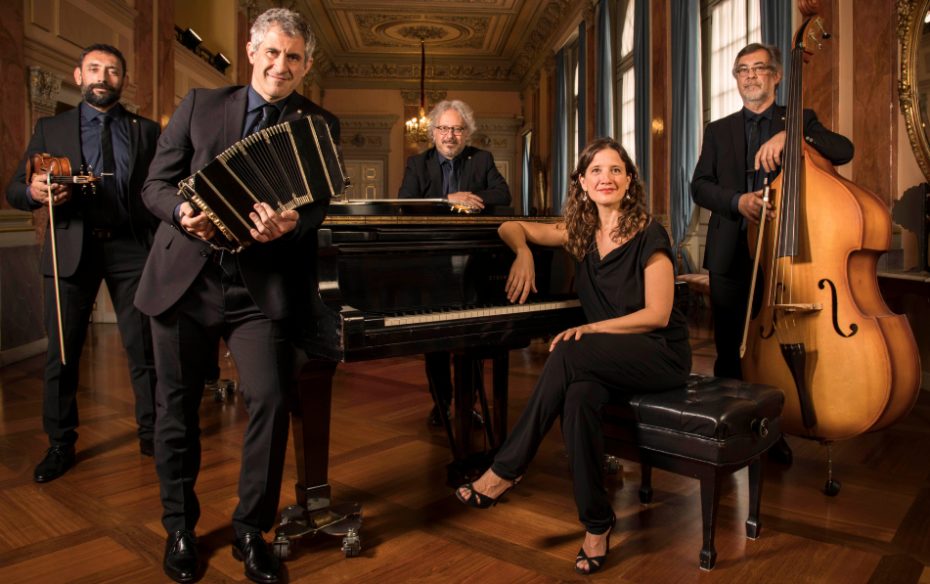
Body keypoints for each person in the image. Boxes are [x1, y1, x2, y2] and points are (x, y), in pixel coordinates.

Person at [133, 8, 339, 584]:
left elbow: (318, 205)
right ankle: (180, 528)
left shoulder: (319, 123)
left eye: (294, 57)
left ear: (307, 64)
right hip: (186, 279)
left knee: (270, 401)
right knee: (175, 410)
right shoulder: (201, 105)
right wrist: (183, 212)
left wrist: (292, 224)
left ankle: (252, 531)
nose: (281, 66)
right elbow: (154, 184)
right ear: (251, 51)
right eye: (272, 52)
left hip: (260, 287)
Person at [455, 138, 691, 575]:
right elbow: (510, 225)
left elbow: (657, 315)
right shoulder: (579, 232)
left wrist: (592, 328)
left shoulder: (649, 233)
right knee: (579, 399)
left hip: (659, 354)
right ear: (582, 182)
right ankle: (597, 524)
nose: (606, 178)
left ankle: (506, 469)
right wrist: (523, 252)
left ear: (629, 180)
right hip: (606, 356)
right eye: (596, 171)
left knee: (568, 349)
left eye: (616, 170)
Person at [691, 42, 853, 465]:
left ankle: (771, 431)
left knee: (777, 347)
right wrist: (737, 201)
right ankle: (729, 430)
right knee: (730, 348)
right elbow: (699, 185)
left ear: (777, 76)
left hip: (784, 253)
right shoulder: (718, 130)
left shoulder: (799, 119)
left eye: (759, 68)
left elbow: (844, 150)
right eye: (742, 70)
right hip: (730, 252)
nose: (750, 76)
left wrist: (793, 133)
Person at [5, 44, 160, 482]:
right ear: (79, 76)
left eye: (112, 71)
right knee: (62, 353)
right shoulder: (50, 128)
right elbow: (15, 189)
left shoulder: (147, 131)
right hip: (71, 248)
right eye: (94, 69)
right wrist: (34, 192)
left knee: (145, 349)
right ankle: (60, 443)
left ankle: (153, 433)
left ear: (123, 80)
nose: (102, 77)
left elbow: (161, 189)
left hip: (132, 250)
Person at [398, 99, 512, 425]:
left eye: (457, 129)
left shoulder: (482, 159)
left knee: (472, 336)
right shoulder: (418, 163)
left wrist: (472, 198)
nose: (450, 136)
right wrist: (448, 199)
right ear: (433, 132)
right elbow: (405, 202)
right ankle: (441, 403)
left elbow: (503, 195)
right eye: (444, 128)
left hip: (475, 261)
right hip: (432, 262)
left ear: (467, 133)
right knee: (435, 339)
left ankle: (467, 404)